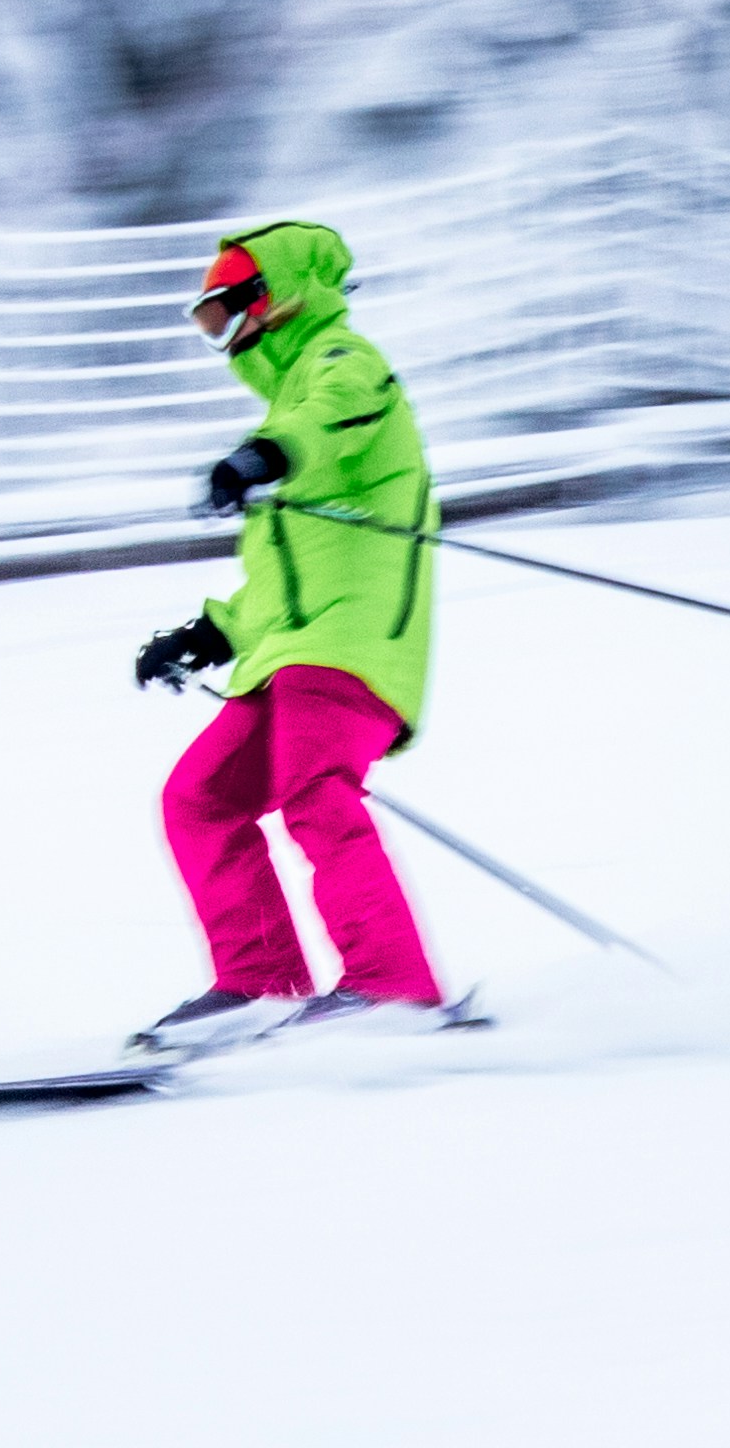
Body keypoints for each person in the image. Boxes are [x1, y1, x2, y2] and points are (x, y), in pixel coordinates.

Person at [127, 218, 459, 1051]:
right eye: (205, 321)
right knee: (199, 799)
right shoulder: (286, 398)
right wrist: (207, 635)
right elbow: (281, 582)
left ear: (270, 298)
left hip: (355, 643)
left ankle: (393, 985)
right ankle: (260, 981)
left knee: (314, 787)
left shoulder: (346, 363)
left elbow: (330, 420)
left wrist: (263, 458)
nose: (221, 335)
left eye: (223, 312)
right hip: (289, 649)